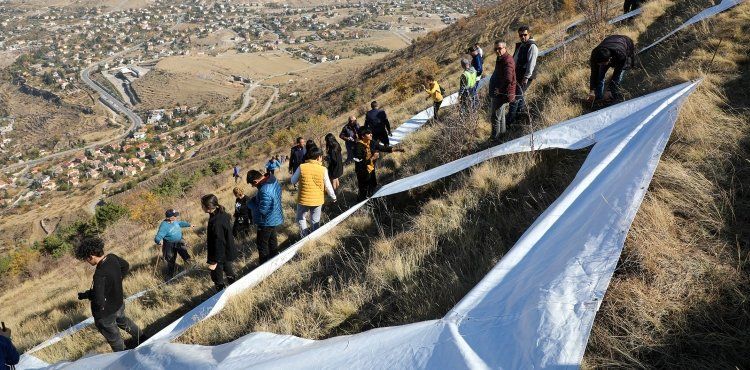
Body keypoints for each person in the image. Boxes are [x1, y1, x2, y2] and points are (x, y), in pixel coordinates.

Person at [75, 237, 141, 352]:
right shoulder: (112, 257)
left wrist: (96, 310)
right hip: (119, 304)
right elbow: (125, 265)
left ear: (91, 256)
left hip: (105, 314)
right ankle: (143, 338)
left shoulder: (99, 274)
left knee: (114, 338)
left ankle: (123, 356)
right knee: (124, 321)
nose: (87, 261)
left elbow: (99, 299)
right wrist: (117, 281)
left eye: (86, 258)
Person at [290, 147, 337, 237]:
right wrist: (333, 197)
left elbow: (292, 181)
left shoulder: (302, 167)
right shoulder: (323, 169)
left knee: (301, 218)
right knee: (315, 220)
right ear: (319, 157)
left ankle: (304, 236)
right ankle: (315, 238)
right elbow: (328, 185)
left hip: (303, 199)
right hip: (317, 200)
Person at [353, 128, 404, 201]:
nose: (371, 134)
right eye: (368, 133)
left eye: (371, 133)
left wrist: (397, 149)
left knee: (373, 185)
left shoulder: (371, 142)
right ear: (363, 136)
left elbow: (382, 148)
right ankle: (361, 203)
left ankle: (372, 200)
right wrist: (373, 158)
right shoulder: (358, 147)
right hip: (362, 171)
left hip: (371, 168)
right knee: (364, 188)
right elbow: (360, 163)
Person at [246, 169, 284, 264]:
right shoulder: (272, 180)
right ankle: (275, 261)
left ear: (255, 181)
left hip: (266, 220)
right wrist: (256, 199)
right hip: (274, 216)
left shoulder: (264, 189)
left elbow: (263, 210)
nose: (253, 186)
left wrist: (251, 205)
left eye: (252, 184)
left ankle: (264, 266)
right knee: (272, 240)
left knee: (262, 244)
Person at [201, 194, 237, 291]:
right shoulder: (221, 213)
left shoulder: (216, 222)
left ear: (208, 207)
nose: (201, 207)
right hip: (226, 250)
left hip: (219, 254)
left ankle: (221, 293)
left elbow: (219, 242)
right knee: (228, 268)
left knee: (217, 277)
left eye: (202, 205)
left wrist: (214, 261)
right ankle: (234, 286)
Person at [589, 35, 635, 102]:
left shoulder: (621, 55)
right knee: (600, 75)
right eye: (599, 64)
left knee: (621, 73)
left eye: (602, 63)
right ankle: (598, 98)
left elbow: (617, 74)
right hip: (611, 41)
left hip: (626, 44)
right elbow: (594, 73)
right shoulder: (595, 55)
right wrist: (592, 90)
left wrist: (609, 90)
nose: (600, 65)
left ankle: (613, 94)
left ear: (609, 59)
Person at [487, 40, 516, 140]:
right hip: (501, 93)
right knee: (501, 115)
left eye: (499, 48)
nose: (497, 51)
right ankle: (502, 135)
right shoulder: (501, 58)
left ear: (505, 48)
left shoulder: (507, 60)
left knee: (495, 117)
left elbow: (508, 78)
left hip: (502, 93)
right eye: (495, 49)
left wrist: (499, 89)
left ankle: (494, 139)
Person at [154, 209, 193, 279]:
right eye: (174, 216)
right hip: (169, 245)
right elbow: (158, 236)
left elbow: (180, 223)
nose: (176, 217)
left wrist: (189, 225)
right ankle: (170, 276)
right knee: (170, 260)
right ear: (168, 217)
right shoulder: (164, 226)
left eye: (175, 215)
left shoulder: (174, 221)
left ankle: (192, 266)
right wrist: (158, 241)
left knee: (185, 254)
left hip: (180, 241)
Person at [510, 25, 539, 123]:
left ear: (529, 34)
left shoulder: (532, 46)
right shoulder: (523, 44)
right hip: (519, 74)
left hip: (525, 75)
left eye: (524, 35)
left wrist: (526, 77)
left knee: (516, 96)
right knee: (520, 94)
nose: (522, 37)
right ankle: (520, 113)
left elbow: (531, 63)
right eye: (520, 35)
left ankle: (511, 119)